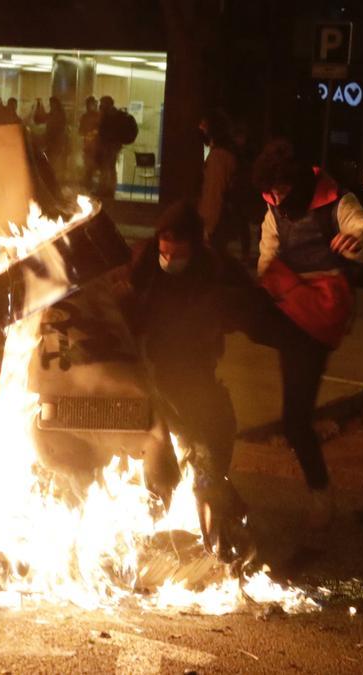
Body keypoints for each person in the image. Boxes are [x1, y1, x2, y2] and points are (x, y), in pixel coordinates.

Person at [241, 138, 363, 529]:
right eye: (270, 192)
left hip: (317, 318)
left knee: (295, 421)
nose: (276, 197)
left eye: (283, 190)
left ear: (301, 181)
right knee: (225, 300)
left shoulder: (336, 201)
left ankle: (321, 496)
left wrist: (359, 241)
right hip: (288, 311)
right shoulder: (275, 206)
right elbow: (267, 256)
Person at [127, 202, 255, 566]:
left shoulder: (213, 268)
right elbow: (129, 299)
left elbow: (246, 301)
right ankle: (150, 536)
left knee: (205, 459)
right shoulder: (147, 259)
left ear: (194, 246)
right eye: (164, 248)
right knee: (160, 459)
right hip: (155, 370)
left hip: (197, 372)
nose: (169, 257)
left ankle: (222, 539)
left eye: (176, 251)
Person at [198, 109, 251, 265]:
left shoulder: (219, 157)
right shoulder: (228, 152)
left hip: (217, 226)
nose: (199, 128)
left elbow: (214, 194)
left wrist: (208, 227)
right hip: (224, 222)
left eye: (203, 126)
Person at [94, 96, 138, 200]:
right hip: (113, 144)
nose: (100, 105)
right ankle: (108, 189)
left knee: (107, 167)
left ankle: (105, 189)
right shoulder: (115, 114)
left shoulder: (110, 115)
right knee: (110, 167)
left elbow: (105, 130)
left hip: (110, 144)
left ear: (107, 103)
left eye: (102, 103)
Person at [35, 96, 68, 180]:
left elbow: (54, 129)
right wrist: (39, 106)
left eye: (52, 104)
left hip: (56, 143)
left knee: (53, 163)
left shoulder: (58, 115)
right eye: (50, 105)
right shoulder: (53, 114)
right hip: (51, 143)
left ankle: (54, 179)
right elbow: (39, 120)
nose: (51, 106)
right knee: (50, 162)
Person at [79, 96, 102, 192]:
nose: (90, 106)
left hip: (97, 148)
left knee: (95, 168)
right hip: (88, 147)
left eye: (92, 104)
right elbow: (80, 131)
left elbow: (101, 130)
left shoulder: (99, 116)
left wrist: (93, 133)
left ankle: (95, 187)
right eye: (89, 104)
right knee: (88, 168)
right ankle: (88, 186)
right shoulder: (85, 117)